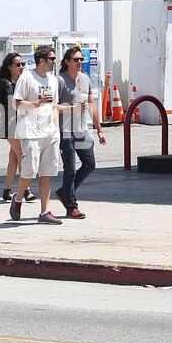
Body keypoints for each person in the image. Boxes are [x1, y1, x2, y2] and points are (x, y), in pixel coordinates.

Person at [9, 45, 62, 225]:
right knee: (29, 171)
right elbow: (17, 104)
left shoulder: (54, 80)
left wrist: (56, 131)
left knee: (46, 172)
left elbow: (54, 106)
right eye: (52, 59)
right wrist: (37, 103)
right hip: (30, 131)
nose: (54, 62)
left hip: (49, 132)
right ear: (41, 60)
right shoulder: (27, 77)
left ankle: (45, 212)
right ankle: (17, 198)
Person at [56, 46, 106, 218]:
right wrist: (73, 108)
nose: (79, 62)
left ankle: (65, 192)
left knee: (89, 164)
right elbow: (52, 107)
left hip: (81, 129)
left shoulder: (85, 79)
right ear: (67, 61)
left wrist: (99, 130)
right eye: (76, 59)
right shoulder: (59, 80)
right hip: (65, 130)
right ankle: (71, 206)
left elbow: (92, 105)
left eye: (80, 59)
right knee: (69, 169)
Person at [0, 52, 36, 202]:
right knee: (22, 155)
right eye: (18, 65)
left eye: (23, 64)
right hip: (9, 125)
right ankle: (26, 190)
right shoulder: (4, 83)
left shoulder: (23, 82)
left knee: (14, 158)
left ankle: (7, 190)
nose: (21, 67)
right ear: (9, 67)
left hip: (21, 124)